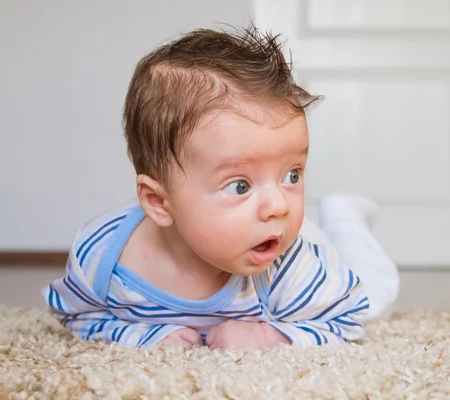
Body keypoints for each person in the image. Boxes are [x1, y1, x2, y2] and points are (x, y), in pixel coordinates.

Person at [42, 25, 399, 350]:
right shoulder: (102, 258)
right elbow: (79, 317)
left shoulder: (289, 266)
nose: (278, 204)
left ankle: (344, 217)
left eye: (293, 174)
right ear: (159, 202)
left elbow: (346, 318)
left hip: (293, 241)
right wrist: (145, 335)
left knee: (375, 298)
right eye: (240, 185)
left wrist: (270, 335)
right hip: (261, 236)